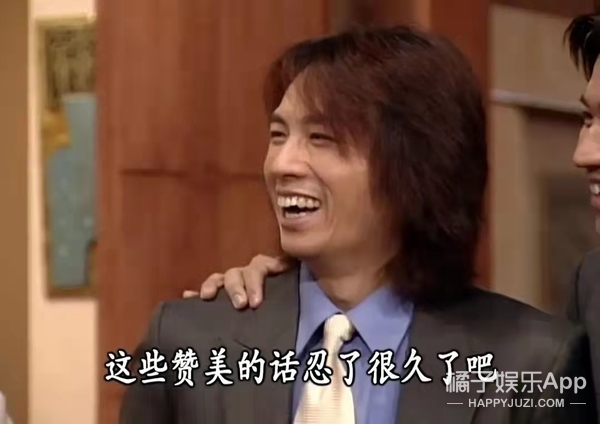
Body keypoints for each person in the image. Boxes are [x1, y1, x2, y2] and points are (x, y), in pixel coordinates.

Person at [123, 26, 595, 423]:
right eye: (278, 135)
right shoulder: (187, 340)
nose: (282, 164)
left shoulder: (532, 363)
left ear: (417, 166)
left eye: (321, 138)